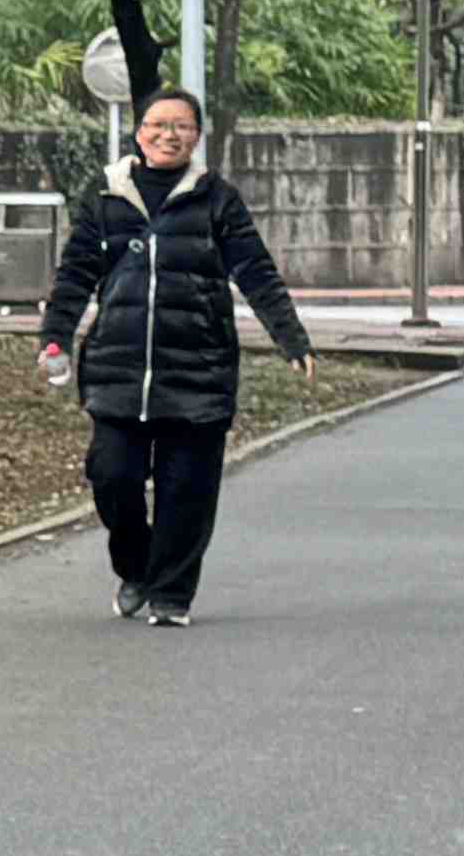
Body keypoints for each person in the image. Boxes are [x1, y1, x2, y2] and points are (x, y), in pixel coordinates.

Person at [42, 91, 314, 624]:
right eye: (159, 124)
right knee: (112, 476)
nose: (170, 135)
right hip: (118, 370)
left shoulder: (217, 199)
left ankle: (171, 594)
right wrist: (55, 337)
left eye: (182, 126)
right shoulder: (106, 196)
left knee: (186, 489)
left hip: (198, 371)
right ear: (139, 132)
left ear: (197, 136)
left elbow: (255, 270)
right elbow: (75, 273)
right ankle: (136, 569)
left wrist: (291, 338)